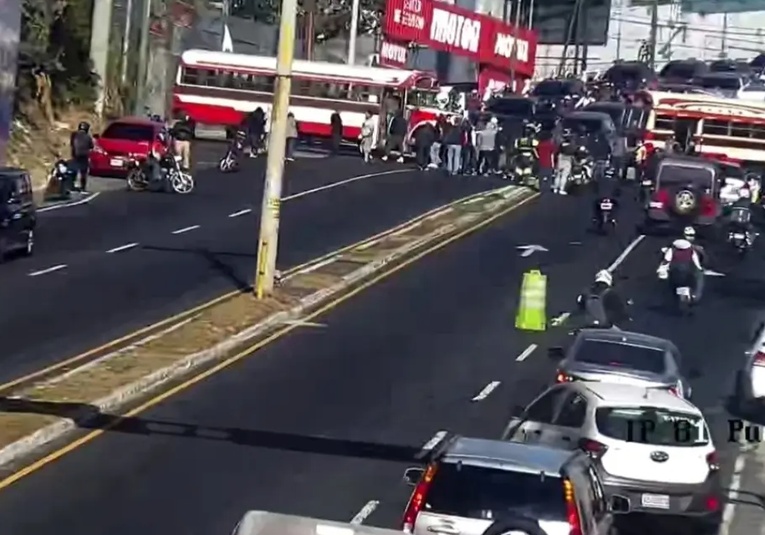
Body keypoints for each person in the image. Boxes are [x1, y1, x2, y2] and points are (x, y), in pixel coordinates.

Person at [659, 229, 705, 302]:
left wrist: (663, 267)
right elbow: (696, 259)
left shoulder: (672, 249)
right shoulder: (692, 249)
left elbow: (666, 259)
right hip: (684, 271)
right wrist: (699, 268)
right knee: (699, 277)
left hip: (677, 271)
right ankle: (696, 295)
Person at [70, 121, 93, 192]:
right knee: (83, 172)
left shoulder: (74, 135)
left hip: (75, 154)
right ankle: (83, 187)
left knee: (74, 170)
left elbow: (71, 144)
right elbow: (91, 146)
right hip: (84, 155)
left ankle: (71, 185)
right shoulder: (88, 137)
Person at [554, 128, 575, 194]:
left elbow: (557, 152)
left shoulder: (561, 144)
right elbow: (574, 152)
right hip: (567, 160)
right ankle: (561, 189)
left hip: (560, 159)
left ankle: (555, 188)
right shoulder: (572, 146)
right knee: (564, 176)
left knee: (558, 175)